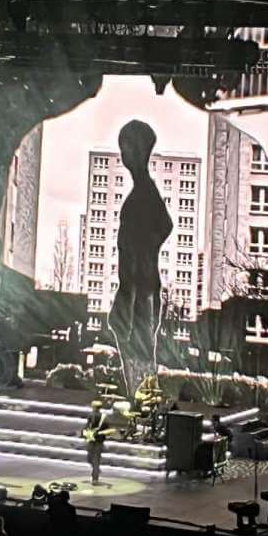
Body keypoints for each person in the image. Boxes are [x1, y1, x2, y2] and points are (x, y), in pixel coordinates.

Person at [108, 120, 172, 390]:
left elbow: (162, 228)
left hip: (139, 295)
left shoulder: (141, 196)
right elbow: (166, 225)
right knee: (139, 361)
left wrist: (132, 309)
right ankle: (143, 410)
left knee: (140, 365)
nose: (123, 155)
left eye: (127, 148)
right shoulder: (144, 192)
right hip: (138, 293)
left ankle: (144, 413)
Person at [82, 399, 108, 485]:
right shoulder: (90, 415)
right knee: (90, 458)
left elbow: (106, 429)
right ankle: (96, 469)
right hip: (92, 438)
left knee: (95, 459)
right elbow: (87, 425)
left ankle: (95, 477)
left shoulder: (103, 417)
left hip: (98, 440)